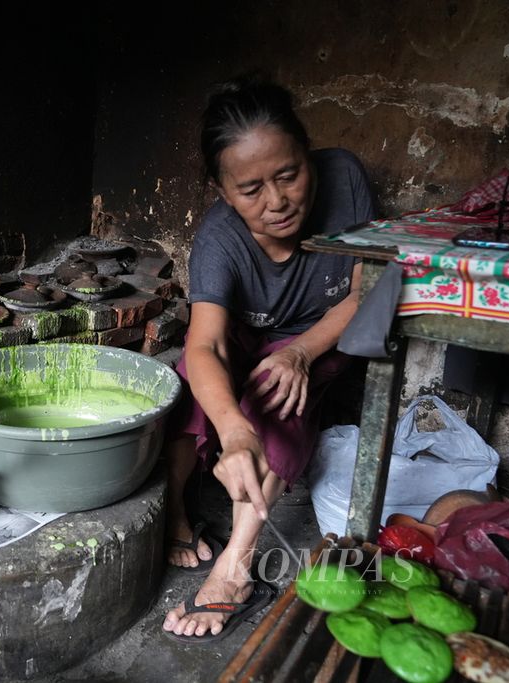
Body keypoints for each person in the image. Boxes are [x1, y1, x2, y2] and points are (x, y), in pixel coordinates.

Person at [161, 73, 376, 642]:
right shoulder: (218, 239)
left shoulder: (347, 179)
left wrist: (302, 352)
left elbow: (363, 291)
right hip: (244, 338)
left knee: (274, 401)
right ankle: (177, 515)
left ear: (308, 154)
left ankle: (234, 568)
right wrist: (232, 429)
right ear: (223, 190)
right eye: (251, 189)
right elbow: (204, 343)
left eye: (289, 174)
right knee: (188, 381)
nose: (278, 201)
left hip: (317, 338)